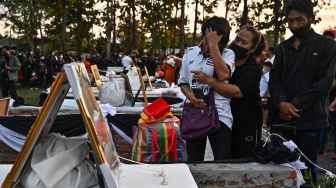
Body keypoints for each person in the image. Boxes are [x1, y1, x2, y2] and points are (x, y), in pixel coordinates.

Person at [268, 0, 336, 181]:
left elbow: (324, 83)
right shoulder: (283, 47)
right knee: (280, 171)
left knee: (306, 172)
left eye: (300, 20)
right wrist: (282, 103)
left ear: (311, 19)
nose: (294, 25)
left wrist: (294, 106)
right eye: (290, 21)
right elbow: (274, 79)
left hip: (310, 119)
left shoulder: (327, 46)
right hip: (281, 120)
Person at [193, 25, 267, 159]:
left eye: (244, 42)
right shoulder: (224, 59)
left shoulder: (253, 69)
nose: (238, 44)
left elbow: (236, 92)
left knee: (242, 161)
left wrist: (209, 80)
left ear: (252, 48)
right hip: (223, 119)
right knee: (223, 159)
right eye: (237, 39)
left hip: (245, 123)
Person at [178, 16, 234, 161]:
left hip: (220, 113)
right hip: (196, 113)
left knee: (222, 161)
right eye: (207, 39)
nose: (209, 45)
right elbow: (183, 82)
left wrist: (214, 46)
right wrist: (191, 97)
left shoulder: (227, 54)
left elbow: (223, 74)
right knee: (194, 160)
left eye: (216, 41)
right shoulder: (190, 53)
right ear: (203, 35)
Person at [260, 61, 272, 127]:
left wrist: (265, 93)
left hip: (265, 95)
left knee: (265, 108)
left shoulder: (268, 74)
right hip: (263, 94)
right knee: (264, 108)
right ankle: (264, 121)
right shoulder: (267, 73)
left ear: (268, 67)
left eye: (264, 67)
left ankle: (265, 122)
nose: (264, 68)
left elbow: (270, 84)